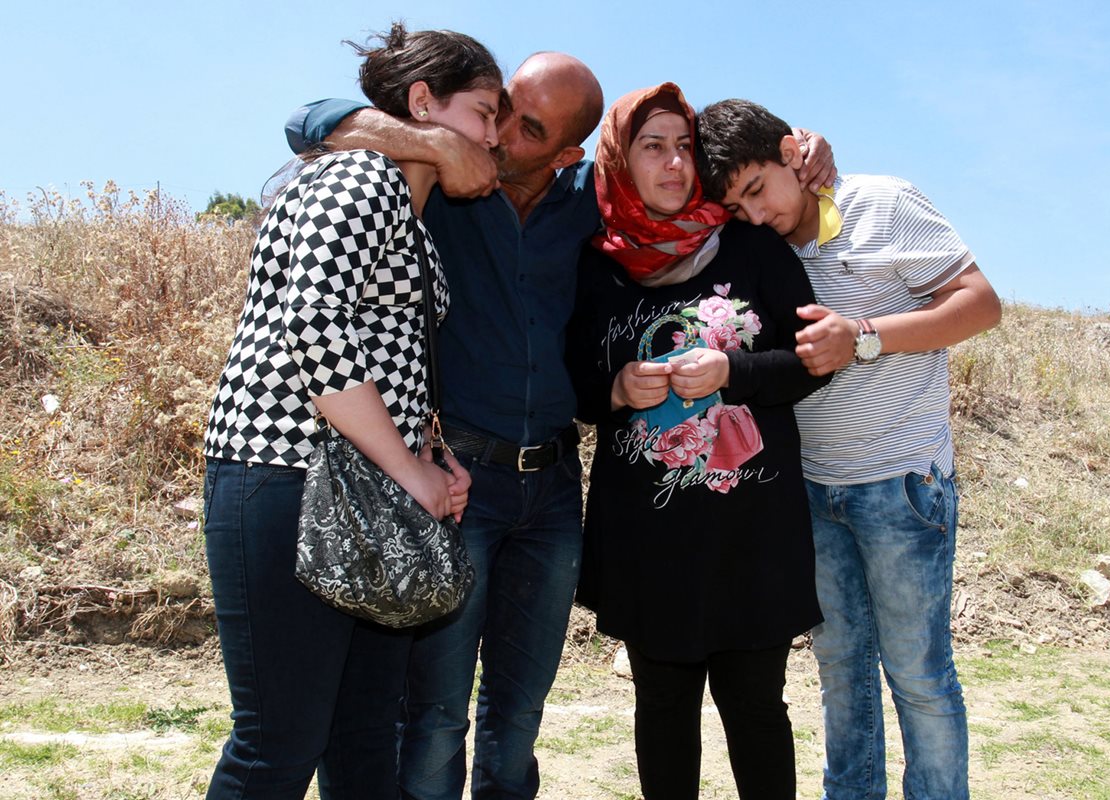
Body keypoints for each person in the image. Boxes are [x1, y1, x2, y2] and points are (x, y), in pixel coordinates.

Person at [284, 65, 835, 800]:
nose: (501, 135)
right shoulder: (472, 197)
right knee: (443, 709)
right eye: (503, 113)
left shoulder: (653, 226)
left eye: (533, 130)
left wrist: (811, 159)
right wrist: (614, 389)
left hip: (616, 502)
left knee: (535, 709)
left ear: (574, 157)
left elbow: (803, 337)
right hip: (494, 487)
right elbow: (310, 118)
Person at [200, 23, 495, 799]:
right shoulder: (357, 176)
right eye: (485, 111)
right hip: (285, 473)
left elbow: (388, 363)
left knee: (365, 741)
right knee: (277, 745)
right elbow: (315, 327)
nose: (493, 136)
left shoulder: (415, 223)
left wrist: (429, 464)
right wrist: (410, 473)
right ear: (423, 103)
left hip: (366, 495)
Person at [696, 98, 1003, 800]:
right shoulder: (761, 248)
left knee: (919, 676)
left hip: (901, 484)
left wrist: (862, 336)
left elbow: (981, 304)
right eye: (735, 205)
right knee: (840, 676)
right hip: (810, 493)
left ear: (790, 155)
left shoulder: (883, 203)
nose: (755, 213)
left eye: (757, 189)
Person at [566, 83, 831, 800]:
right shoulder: (596, 263)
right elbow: (576, 389)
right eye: (653, 146)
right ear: (620, 159)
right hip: (647, 540)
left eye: (683, 146)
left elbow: (814, 363)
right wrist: (616, 388)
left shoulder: (751, 246)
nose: (674, 163)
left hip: (752, 532)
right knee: (660, 708)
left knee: (755, 710)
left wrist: (732, 369)